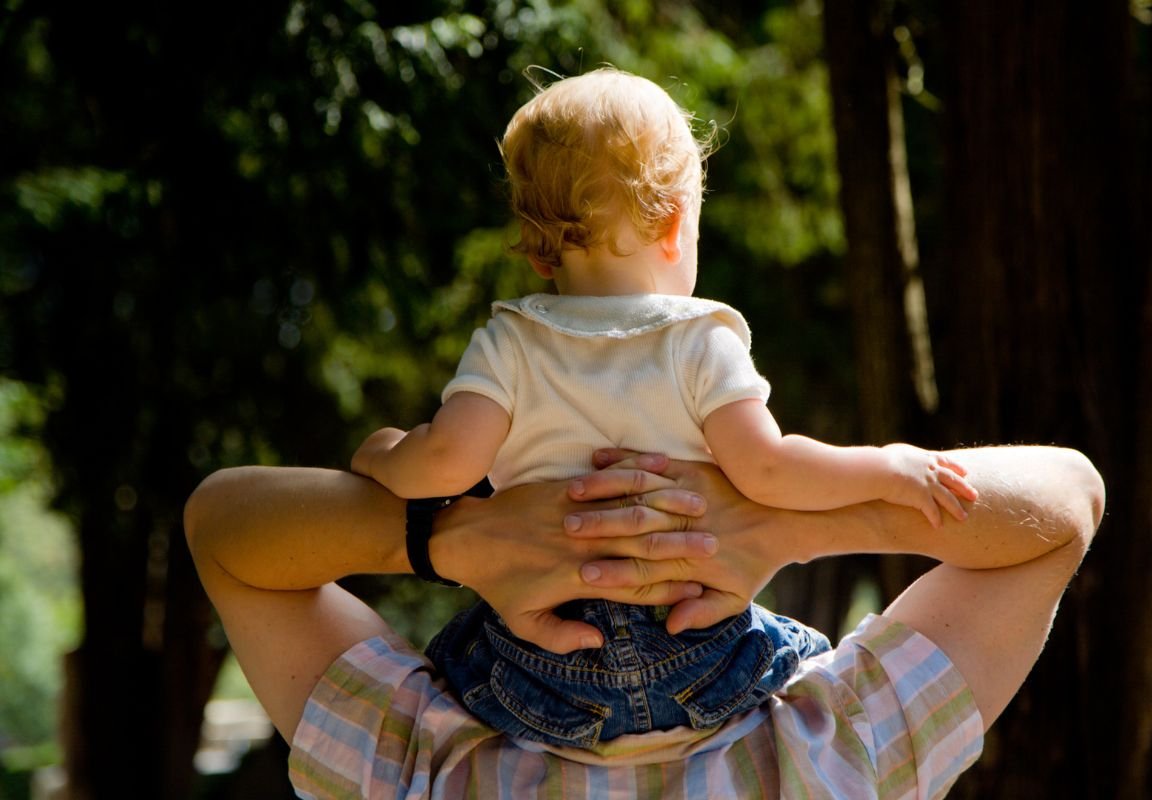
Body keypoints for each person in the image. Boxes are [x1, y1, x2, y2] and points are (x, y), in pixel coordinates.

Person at [346, 67, 979, 748]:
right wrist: (889, 467)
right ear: (678, 225)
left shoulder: (511, 343)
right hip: (698, 653)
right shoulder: (699, 340)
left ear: (536, 250)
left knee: (457, 651)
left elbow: (443, 464)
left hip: (538, 672)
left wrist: (380, 451)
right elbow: (770, 471)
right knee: (810, 650)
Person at [185, 445, 1104, 798]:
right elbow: (1064, 499)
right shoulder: (837, 757)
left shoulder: (424, 767)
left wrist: (454, 535)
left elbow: (224, 526)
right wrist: (786, 520)